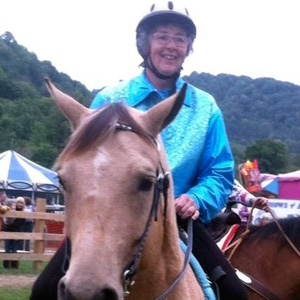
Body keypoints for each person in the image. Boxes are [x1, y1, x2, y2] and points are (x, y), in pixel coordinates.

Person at [31, 2, 246, 299]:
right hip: (109, 215)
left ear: (188, 48)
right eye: (162, 36)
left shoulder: (205, 107)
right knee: (43, 290)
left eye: (180, 39)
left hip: (178, 222)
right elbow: (86, 164)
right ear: (145, 44)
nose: (171, 45)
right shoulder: (110, 98)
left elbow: (219, 172)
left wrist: (196, 198)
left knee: (234, 292)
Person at [2, 197, 26, 268]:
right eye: (18, 202)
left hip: (17, 233)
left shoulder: (23, 213)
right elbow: (6, 223)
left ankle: (14, 266)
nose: (19, 204)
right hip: (8, 232)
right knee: (7, 249)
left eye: (21, 203)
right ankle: (6, 266)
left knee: (14, 250)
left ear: (23, 204)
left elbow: (21, 225)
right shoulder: (11, 210)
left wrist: (18, 235)